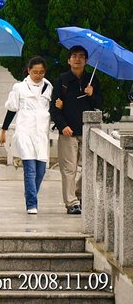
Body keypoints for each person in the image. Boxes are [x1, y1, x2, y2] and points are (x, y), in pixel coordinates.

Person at [51, 45, 103, 215]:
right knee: (69, 169)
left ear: (86, 61)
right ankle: (71, 202)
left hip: (88, 132)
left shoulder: (92, 80)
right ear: (68, 60)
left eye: (81, 56)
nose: (77, 59)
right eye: (74, 56)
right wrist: (62, 125)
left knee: (89, 167)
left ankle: (79, 194)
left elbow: (99, 104)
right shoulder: (62, 80)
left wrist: (91, 94)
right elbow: (55, 108)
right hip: (68, 131)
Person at [0, 56, 52, 214]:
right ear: (28, 71)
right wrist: (3, 130)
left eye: (41, 72)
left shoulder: (49, 87)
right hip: (25, 132)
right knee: (30, 170)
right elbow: (11, 110)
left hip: (41, 134)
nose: (38, 75)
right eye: (35, 72)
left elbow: (52, 109)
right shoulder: (19, 87)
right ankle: (31, 204)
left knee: (41, 171)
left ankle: (30, 192)